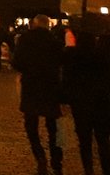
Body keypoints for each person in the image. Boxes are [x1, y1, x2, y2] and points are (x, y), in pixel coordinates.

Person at [13, 14, 64, 175]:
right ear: (48, 25)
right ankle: (56, 161)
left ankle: (40, 156)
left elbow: (17, 63)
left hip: (31, 87)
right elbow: (62, 61)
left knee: (31, 126)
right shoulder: (55, 42)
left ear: (34, 24)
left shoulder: (25, 40)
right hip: (50, 87)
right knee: (53, 127)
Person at [61, 29, 110, 175]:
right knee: (103, 140)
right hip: (101, 103)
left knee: (84, 141)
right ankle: (107, 169)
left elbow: (67, 81)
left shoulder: (72, 57)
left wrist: (66, 99)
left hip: (81, 105)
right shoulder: (102, 56)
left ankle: (88, 169)